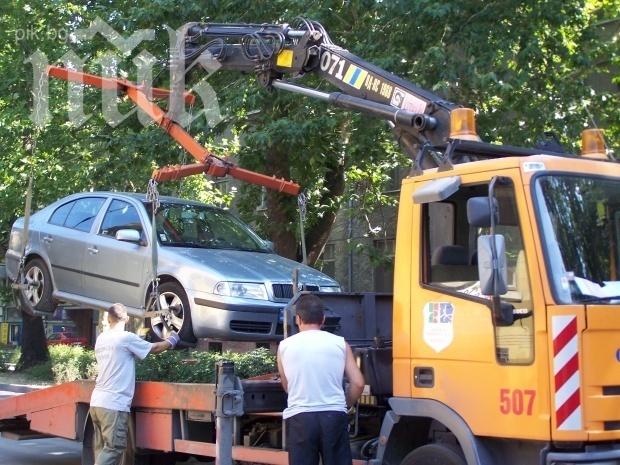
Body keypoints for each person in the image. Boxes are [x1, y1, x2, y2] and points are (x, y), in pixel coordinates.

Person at [277, 294, 365, 465]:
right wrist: (346, 403)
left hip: (300, 417)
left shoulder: (284, 346)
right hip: (334, 416)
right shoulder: (340, 343)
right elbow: (358, 383)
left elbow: (287, 385)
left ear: (298, 319)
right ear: (323, 319)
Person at [89, 303, 180, 465]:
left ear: (108, 319)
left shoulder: (101, 339)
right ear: (127, 319)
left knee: (102, 448)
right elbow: (155, 348)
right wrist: (172, 339)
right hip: (113, 405)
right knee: (114, 448)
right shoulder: (125, 338)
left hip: (97, 403)